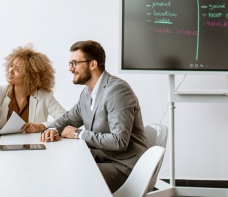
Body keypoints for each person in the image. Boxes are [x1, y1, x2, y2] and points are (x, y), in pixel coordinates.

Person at [39, 40, 148, 193]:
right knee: (61, 167)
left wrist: (78, 133)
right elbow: (68, 119)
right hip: (103, 159)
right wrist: (50, 130)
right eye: (70, 63)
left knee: (71, 177)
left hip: (125, 168)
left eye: (75, 63)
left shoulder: (117, 91)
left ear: (93, 64)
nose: (70, 68)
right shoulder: (87, 94)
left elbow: (119, 141)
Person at [0, 45, 66, 132]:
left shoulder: (45, 96)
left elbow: (64, 117)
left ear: (30, 76)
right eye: (11, 65)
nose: (10, 71)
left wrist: (41, 126)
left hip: (33, 144)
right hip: (3, 144)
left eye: (17, 69)